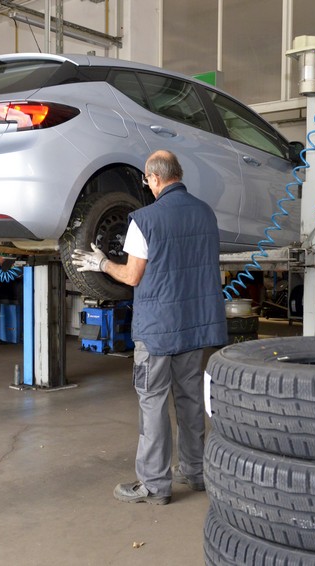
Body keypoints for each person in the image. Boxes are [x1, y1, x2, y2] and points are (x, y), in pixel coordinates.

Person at [72, 150, 227, 505]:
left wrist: (101, 263)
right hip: (194, 325)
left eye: (146, 180)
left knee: (153, 402)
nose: (147, 185)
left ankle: (155, 485)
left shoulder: (144, 219)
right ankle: (195, 471)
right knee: (189, 399)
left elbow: (132, 275)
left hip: (158, 329)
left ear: (155, 178)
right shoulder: (205, 213)